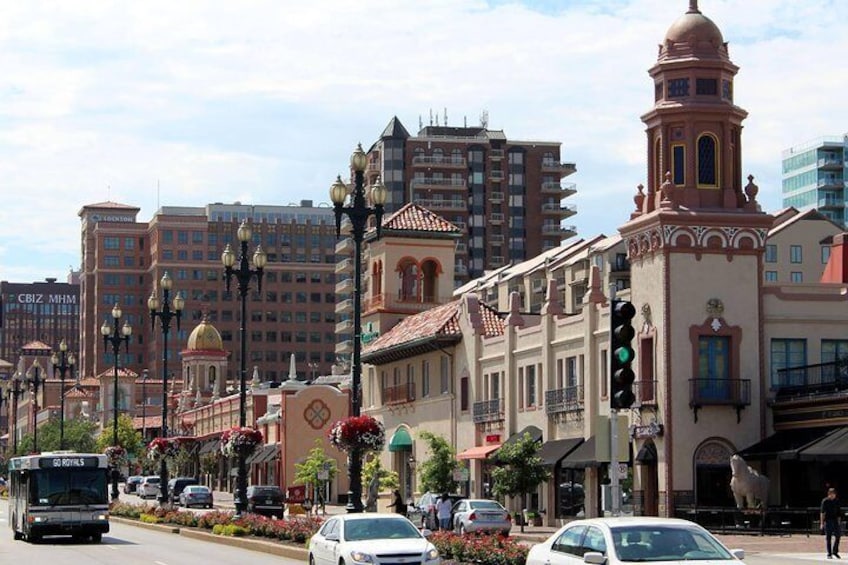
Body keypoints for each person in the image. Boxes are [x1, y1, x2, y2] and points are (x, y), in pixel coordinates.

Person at [821, 487, 842, 559]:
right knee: (828, 538)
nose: (833, 496)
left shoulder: (837, 501)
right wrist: (822, 523)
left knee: (838, 536)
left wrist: (839, 523)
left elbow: (839, 513)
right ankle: (829, 553)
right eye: (831, 494)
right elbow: (822, 513)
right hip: (828, 521)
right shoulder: (825, 501)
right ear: (829, 494)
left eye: (834, 494)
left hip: (835, 520)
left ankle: (835, 551)